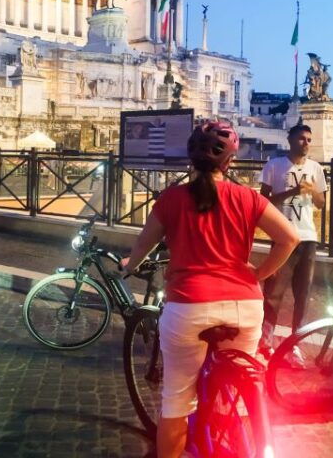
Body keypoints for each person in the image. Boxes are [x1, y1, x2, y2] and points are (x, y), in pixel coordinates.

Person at [122, 121, 298, 458]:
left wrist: (128, 266)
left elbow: (143, 245)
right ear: (229, 163)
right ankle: (234, 430)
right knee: (241, 376)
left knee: (176, 400)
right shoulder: (247, 197)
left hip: (189, 306)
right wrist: (258, 274)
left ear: (190, 159)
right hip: (245, 306)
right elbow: (289, 239)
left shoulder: (171, 199)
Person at [257, 123, 327, 360]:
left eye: (309, 139)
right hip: (282, 236)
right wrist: (292, 192)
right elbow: (263, 202)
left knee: (302, 293)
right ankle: (265, 340)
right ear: (290, 140)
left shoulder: (316, 168)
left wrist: (312, 192)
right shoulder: (274, 165)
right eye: (301, 139)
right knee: (273, 292)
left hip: (308, 237)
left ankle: (294, 343)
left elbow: (321, 203)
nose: (306, 143)